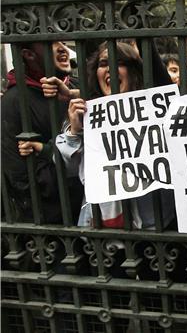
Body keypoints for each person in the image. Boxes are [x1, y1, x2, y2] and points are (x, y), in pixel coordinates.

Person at [51, 42, 175, 229]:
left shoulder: (157, 111)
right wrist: (74, 133)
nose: (110, 69)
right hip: (100, 232)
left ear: (135, 71)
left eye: (119, 63)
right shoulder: (85, 112)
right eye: (103, 64)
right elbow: (64, 169)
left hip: (154, 227)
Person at [2, 41, 79, 223]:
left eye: (62, 41)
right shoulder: (12, 103)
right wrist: (77, 176)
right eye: (52, 43)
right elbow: (22, 179)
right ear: (29, 55)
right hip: (51, 226)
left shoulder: (76, 87)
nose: (62, 48)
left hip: (92, 216)